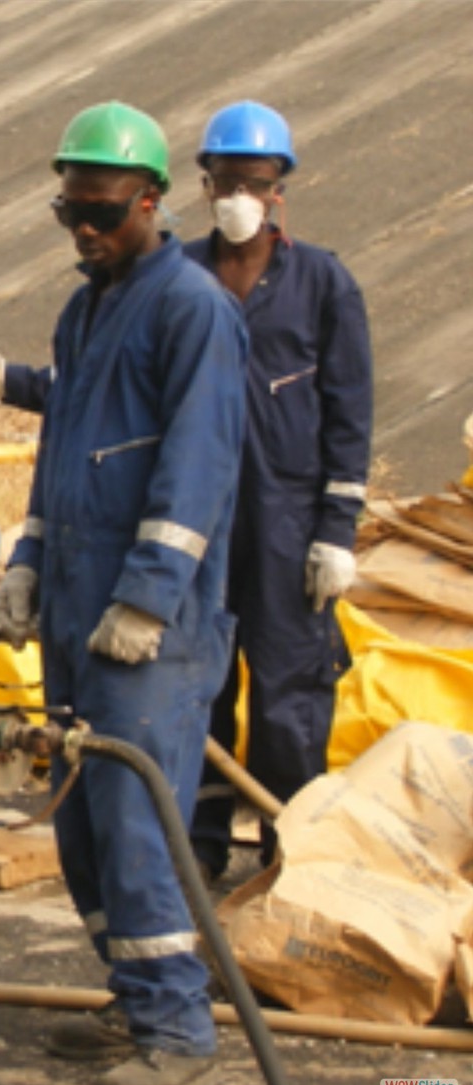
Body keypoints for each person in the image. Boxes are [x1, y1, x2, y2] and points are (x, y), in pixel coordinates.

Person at [0, 102, 246, 1085]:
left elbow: (197, 469)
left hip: (150, 637)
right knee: (85, 832)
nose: (83, 228)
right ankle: (133, 1003)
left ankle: (179, 1033)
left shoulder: (191, 308)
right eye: (68, 212)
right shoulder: (86, 308)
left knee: (137, 829)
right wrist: (25, 564)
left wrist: (144, 600)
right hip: (73, 616)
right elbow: (65, 459)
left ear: (150, 201)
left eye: (100, 210)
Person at [184, 101, 372, 882]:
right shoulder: (181, 277)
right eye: (225, 181)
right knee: (201, 688)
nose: (238, 195)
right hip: (199, 519)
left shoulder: (323, 283)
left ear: (279, 190)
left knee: (289, 698)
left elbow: (350, 410)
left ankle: (289, 859)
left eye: (253, 182)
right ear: (205, 185)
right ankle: (196, 851)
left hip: (288, 523)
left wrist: (338, 529)